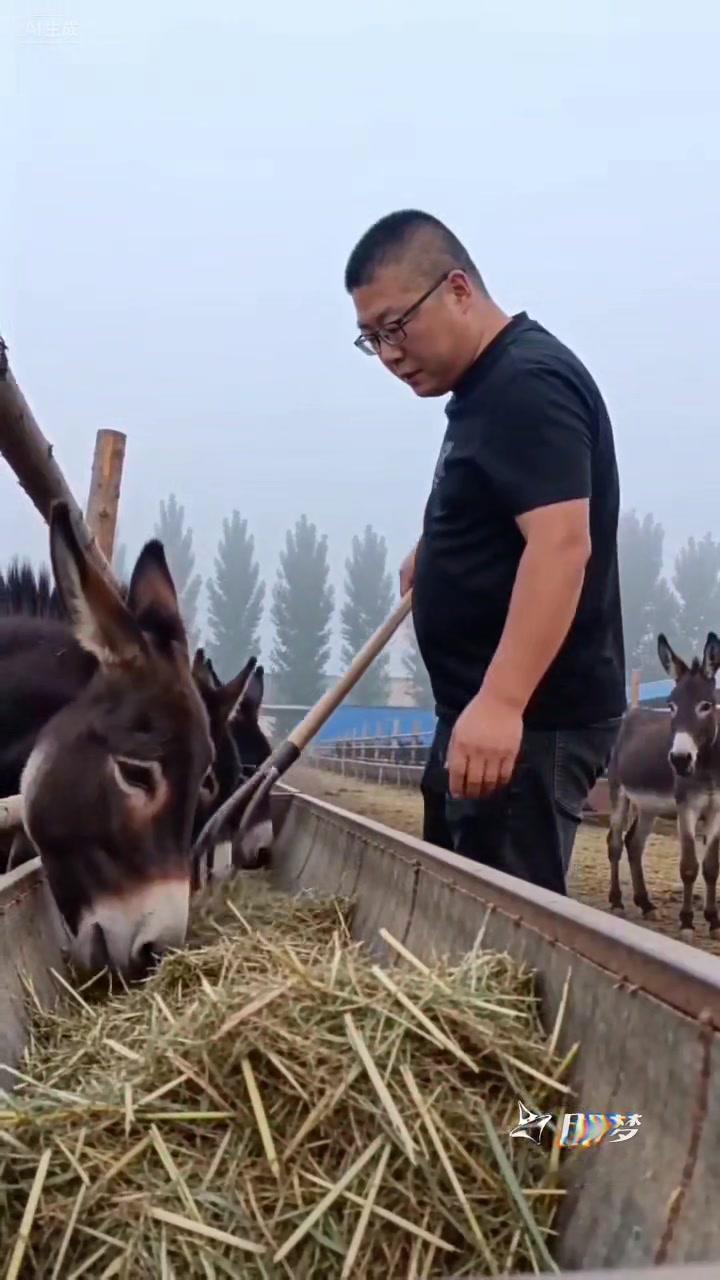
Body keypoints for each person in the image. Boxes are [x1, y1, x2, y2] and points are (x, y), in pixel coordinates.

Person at [343, 209, 626, 896]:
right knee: (457, 907)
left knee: (502, 945)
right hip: (481, 716)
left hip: (528, 726)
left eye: (395, 326)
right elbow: (510, 500)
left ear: (459, 290)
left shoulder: (524, 386)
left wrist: (502, 702)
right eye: (370, 339)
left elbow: (561, 546)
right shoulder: (485, 388)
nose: (388, 354)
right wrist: (435, 551)